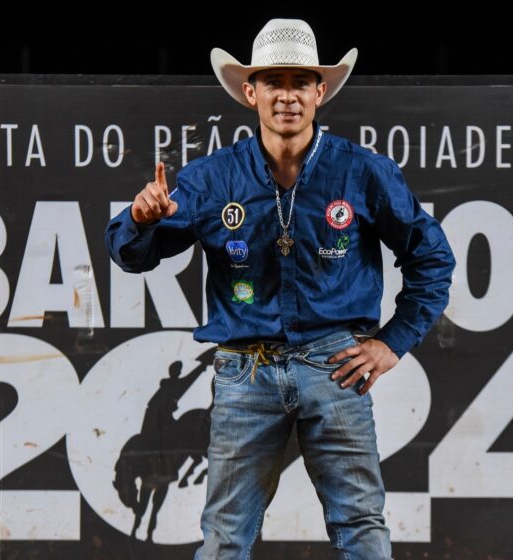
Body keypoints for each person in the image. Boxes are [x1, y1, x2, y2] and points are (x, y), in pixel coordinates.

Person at [105, 17, 456, 560]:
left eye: (300, 82)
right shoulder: (212, 178)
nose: (287, 96)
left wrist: (391, 343)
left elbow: (431, 256)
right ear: (251, 92)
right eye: (274, 82)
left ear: (320, 91)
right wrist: (141, 218)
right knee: (225, 537)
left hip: (335, 368)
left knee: (361, 526)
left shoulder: (362, 172)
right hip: (245, 374)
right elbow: (133, 256)